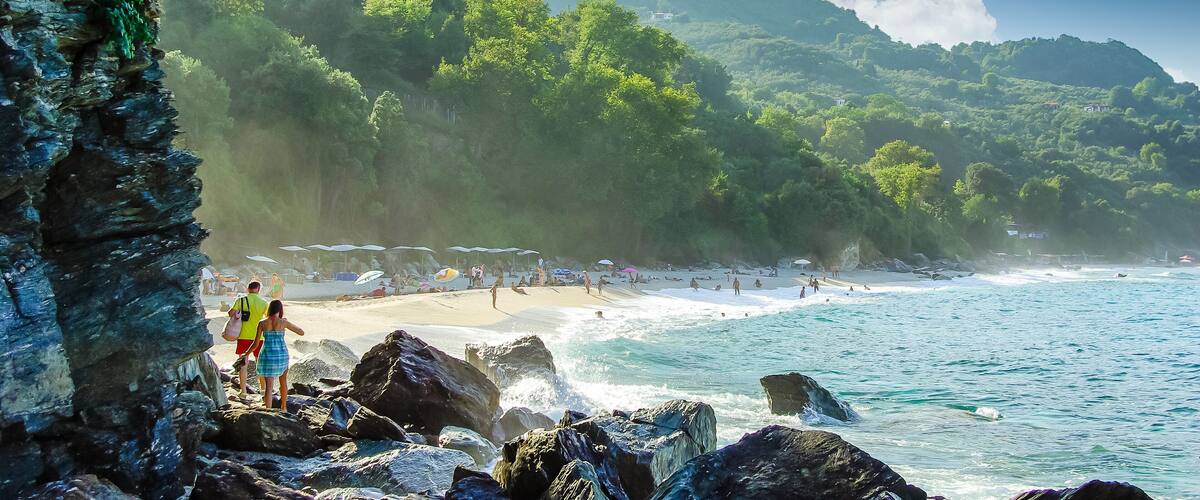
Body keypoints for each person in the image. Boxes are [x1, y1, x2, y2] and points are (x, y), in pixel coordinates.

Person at [242, 300, 304, 412]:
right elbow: (301, 332)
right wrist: (286, 322)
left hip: (267, 356)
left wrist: (246, 354)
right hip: (281, 355)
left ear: (270, 309)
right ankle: (284, 407)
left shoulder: (262, 323)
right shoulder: (283, 322)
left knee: (269, 387)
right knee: (283, 382)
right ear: (280, 309)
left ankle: (268, 411)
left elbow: (255, 344)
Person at [229, 281, 270, 397]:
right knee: (260, 363)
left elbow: (230, 313)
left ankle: (243, 391)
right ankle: (263, 390)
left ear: (248, 289)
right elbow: (268, 318)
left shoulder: (240, 300)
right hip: (259, 337)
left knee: (243, 364)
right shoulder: (263, 303)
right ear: (259, 290)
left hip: (243, 336)